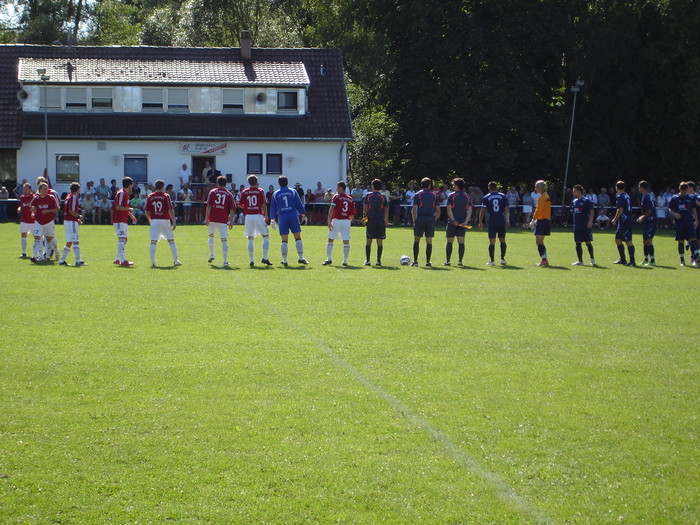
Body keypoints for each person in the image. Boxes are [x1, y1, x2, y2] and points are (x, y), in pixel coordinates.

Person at [270, 175, 308, 266]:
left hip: (282, 217)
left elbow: (273, 208)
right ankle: (301, 258)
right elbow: (299, 204)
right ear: (287, 182)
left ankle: (285, 261)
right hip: (293, 215)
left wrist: (272, 219)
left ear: (279, 183)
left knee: (284, 240)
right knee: (298, 237)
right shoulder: (293, 191)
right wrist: (303, 215)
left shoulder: (276, 193)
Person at [145, 179, 180, 268]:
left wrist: (150, 221)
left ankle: (153, 263)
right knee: (171, 241)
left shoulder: (150, 196)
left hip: (154, 220)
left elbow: (147, 212)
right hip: (165, 220)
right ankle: (175, 261)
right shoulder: (166, 196)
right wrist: (174, 221)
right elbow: (170, 210)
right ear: (163, 187)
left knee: (153, 241)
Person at [240, 174, 272, 266]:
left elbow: (240, 204)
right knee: (265, 236)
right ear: (257, 182)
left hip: (249, 216)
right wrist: (266, 215)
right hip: (258, 215)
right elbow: (263, 204)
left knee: (250, 238)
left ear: (248, 182)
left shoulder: (245, 191)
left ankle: (251, 260)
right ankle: (265, 258)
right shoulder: (260, 191)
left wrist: (247, 207)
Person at [205, 176, 235, 267]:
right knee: (224, 240)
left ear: (217, 183)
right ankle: (225, 261)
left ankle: (211, 254)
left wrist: (206, 218)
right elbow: (232, 209)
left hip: (212, 218)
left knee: (211, 236)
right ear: (226, 184)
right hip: (222, 219)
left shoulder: (212, 192)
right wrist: (231, 221)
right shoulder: (229, 194)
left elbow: (209, 206)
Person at [323, 181, 355, 266]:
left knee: (330, 239)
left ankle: (329, 259)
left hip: (337, 220)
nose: (336, 189)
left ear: (341, 188)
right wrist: (349, 222)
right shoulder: (350, 198)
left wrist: (329, 221)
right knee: (346, 241)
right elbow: (352, 213)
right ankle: (345, 261)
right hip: (346, 221)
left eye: (337, 187)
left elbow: (331, 209)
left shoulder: (336, 197)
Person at [668, 181, 699, 266]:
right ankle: (682, 261)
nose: (684, 192)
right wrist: (675, 214)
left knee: (693, 239)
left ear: (687, 190)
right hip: (679, 223)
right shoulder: (675, 198)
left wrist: (696, 219)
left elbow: (693, 209)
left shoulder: (691, 198)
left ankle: (695, 258)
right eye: (682, 191)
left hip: (689, 222)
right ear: (680, 189)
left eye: (685, 191)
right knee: (681, 241)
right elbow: (670, 209)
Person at [479, 181, 510, 266]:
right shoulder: (503, 196)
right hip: (501, 219)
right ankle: (502, 259)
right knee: (502, 240)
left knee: (492, 241)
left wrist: (480, 221)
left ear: (489, 188)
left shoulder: (486, 197)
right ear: (496, 188)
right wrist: (507, 220)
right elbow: (506, 209)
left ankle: (492, 261)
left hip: (492, 220)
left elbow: (482, 210)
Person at [411, 177, 440, 266]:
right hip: (430, 218)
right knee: (429, 240)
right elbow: (438, 211)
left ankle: (415, 261)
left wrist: (414, 220)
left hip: (420, 218)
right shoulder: (434, 195)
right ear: (430, 185)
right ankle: (428, 261)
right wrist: (434, 219)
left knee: (416, 240)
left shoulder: (417, 195)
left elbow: (414, 209)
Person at [444, 178, 472, 266]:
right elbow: (470, 210)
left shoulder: (451, 195)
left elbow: (449, 209)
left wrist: (453, 220)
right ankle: (460, 261)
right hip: (462, 224)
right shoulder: (467, 196)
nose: (453, 186)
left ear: (456, 186)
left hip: (452, 223)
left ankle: (448, 261)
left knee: (449, 241)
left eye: (453, 185)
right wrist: (466, 222)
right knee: (461, 242)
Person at [29, 182, 59, 263]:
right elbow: (31, 207)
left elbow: (57, 208)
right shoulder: (36, 198)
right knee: (37, 238)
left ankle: (47, 256)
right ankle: (35, 256)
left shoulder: (51, 197)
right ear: (40, 190)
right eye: (44, 189)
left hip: (49, 221)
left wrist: (48, 211)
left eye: (47, 189)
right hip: (38, 221)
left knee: (48, 239)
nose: (46, 190)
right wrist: (32, 210)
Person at [58, 182, 86, 266]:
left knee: (69, 241)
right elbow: (71, 211)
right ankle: (78, 260)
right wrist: (78, 216)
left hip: (67, 221)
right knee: (75, 240)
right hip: (71, 221)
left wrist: (76, 218)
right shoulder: (73, 197)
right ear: (77, 189)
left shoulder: (68, 196)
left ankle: (62, 260)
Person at [363, 178, 389, 266]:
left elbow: (365, 209)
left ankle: (368, 260)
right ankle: (378, 261)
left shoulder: (368, 195)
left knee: (369, 240)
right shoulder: (383, 196)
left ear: (372, 186)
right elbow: (386, 209)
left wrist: (364, 220)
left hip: (371, 220)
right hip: (380, 221)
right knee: (380, 240)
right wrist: (386, 219)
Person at [610, 180, 636, 266]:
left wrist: (615, 219)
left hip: (625, 221)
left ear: (616, 188)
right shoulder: (627, 196)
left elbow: (620, 209)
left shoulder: (620, 197)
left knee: (628, 241)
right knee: (618, 239)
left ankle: (632, 261)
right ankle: (623, 259)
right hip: (622, 221)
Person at [112, 177, 136, 266]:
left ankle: (117, 259)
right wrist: (129, 209)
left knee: (124, 239)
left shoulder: (124, 193)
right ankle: (123, 260)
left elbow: (122, 207)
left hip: (123, 219)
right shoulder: (121, 193)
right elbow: (118, 207)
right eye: (131, 185)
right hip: (119, 220)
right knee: (121, 239)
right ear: (129, 185)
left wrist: (130, 215)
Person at [570, 184, 595, 266]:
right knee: (577, 243)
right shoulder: (574, 201)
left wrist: (590, 221)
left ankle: (592, 259)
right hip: (577, 226)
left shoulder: (586, 200)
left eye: (574, 191)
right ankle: (580, 261)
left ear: (579, 191)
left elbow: (592, 211)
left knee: (588, 242)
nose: (573, 192)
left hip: (585, 225)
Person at [530, 180, 551, 266]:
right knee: (541, 242)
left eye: (536, 187)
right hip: (547, 220)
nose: (535, 189)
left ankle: (544, 259)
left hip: (542, 221)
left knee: (538, 242)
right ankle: (544, 259)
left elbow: (539, 210)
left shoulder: (542, 198)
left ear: (540, 188)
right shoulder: (546, 196)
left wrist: (533, 219)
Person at [636, 180, 657, 266]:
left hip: (651, 221)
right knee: (645, 240)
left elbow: (649, 211)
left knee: (649, 240)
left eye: (639, 187)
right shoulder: (646, 196)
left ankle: (652, 260)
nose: (638, 189)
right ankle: (645, 259)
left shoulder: (647, 197)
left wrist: (643, 217)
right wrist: (643, 217)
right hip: (648, 221)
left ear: (642, 187)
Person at [18, 182, 34, 257]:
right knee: (23, 235)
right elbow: (21, 206)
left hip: (33, 221)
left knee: (37, 237)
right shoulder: (22, 197)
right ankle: (24, 252)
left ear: (30, 190)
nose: (25, 190)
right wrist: (19, 208)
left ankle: (43, 252)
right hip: (24, 220)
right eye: (24, 189)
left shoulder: (34, 197)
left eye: (26, 189)